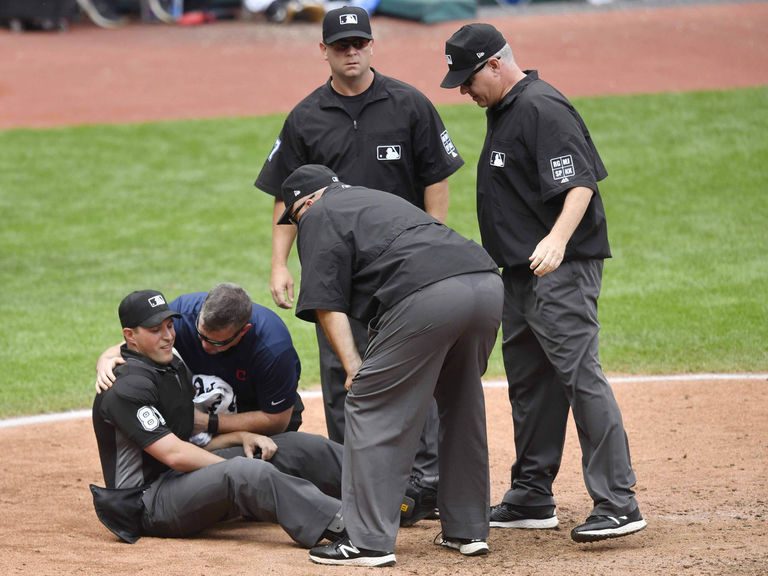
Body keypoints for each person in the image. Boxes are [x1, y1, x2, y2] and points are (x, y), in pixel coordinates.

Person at [254, 4, 464, 524]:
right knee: (342, 376)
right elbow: (285, 195)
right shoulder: (305, 117)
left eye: (359, 44)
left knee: (414, 369)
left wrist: (435, 236)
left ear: (372, 46)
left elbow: (436, 175)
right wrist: (280, 263)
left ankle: (428, 483)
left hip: (401, 269)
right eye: (341, 46)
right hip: (335, 273)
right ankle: (359, 482)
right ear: (322, 50)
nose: (351, 52)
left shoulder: (409, 104)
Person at [440, 23, 646, 543]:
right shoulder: (503, 110)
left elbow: (579, 183)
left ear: (495, 64)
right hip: (519, 276)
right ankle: (531, 494)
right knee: (531, 385)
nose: (464, 90)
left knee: (580, 377)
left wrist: (555, 242)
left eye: (468, 78)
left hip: (560, 269)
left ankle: (619, 502)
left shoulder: (540, 107)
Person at [277, 164, 503, 566]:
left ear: (306, 202)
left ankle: (365, 541)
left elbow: (327, 303)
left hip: (430, 296)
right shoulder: (376, 199)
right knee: (461, 403)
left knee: (368, 404)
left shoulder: (319, 214)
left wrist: (353, 368)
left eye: (293, 216)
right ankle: (468, 529)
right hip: (485, 285)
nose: (296, 224)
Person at [91, 289, 346, 546]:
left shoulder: (171, 367)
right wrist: (237, 465)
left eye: (170, 326)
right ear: (130, 336)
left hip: (180, 479)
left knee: (294, 446)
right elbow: (175, 454)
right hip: (147, 501)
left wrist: (243, 436)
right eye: (156, 330)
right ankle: (343, 524)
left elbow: (189, 439)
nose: (168, 336)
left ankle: (379, 490)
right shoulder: (124, 387)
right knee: (244, 472)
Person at [96, 283, 305, 437]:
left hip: (255, 412)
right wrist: (107, 358)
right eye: (201, 336)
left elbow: (277, 420)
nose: (205, 346)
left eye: (218, 342)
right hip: (203, 408)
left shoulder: (273, 348)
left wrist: (206, 422)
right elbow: (137, 342)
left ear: (244, 331)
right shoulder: (184, 315)